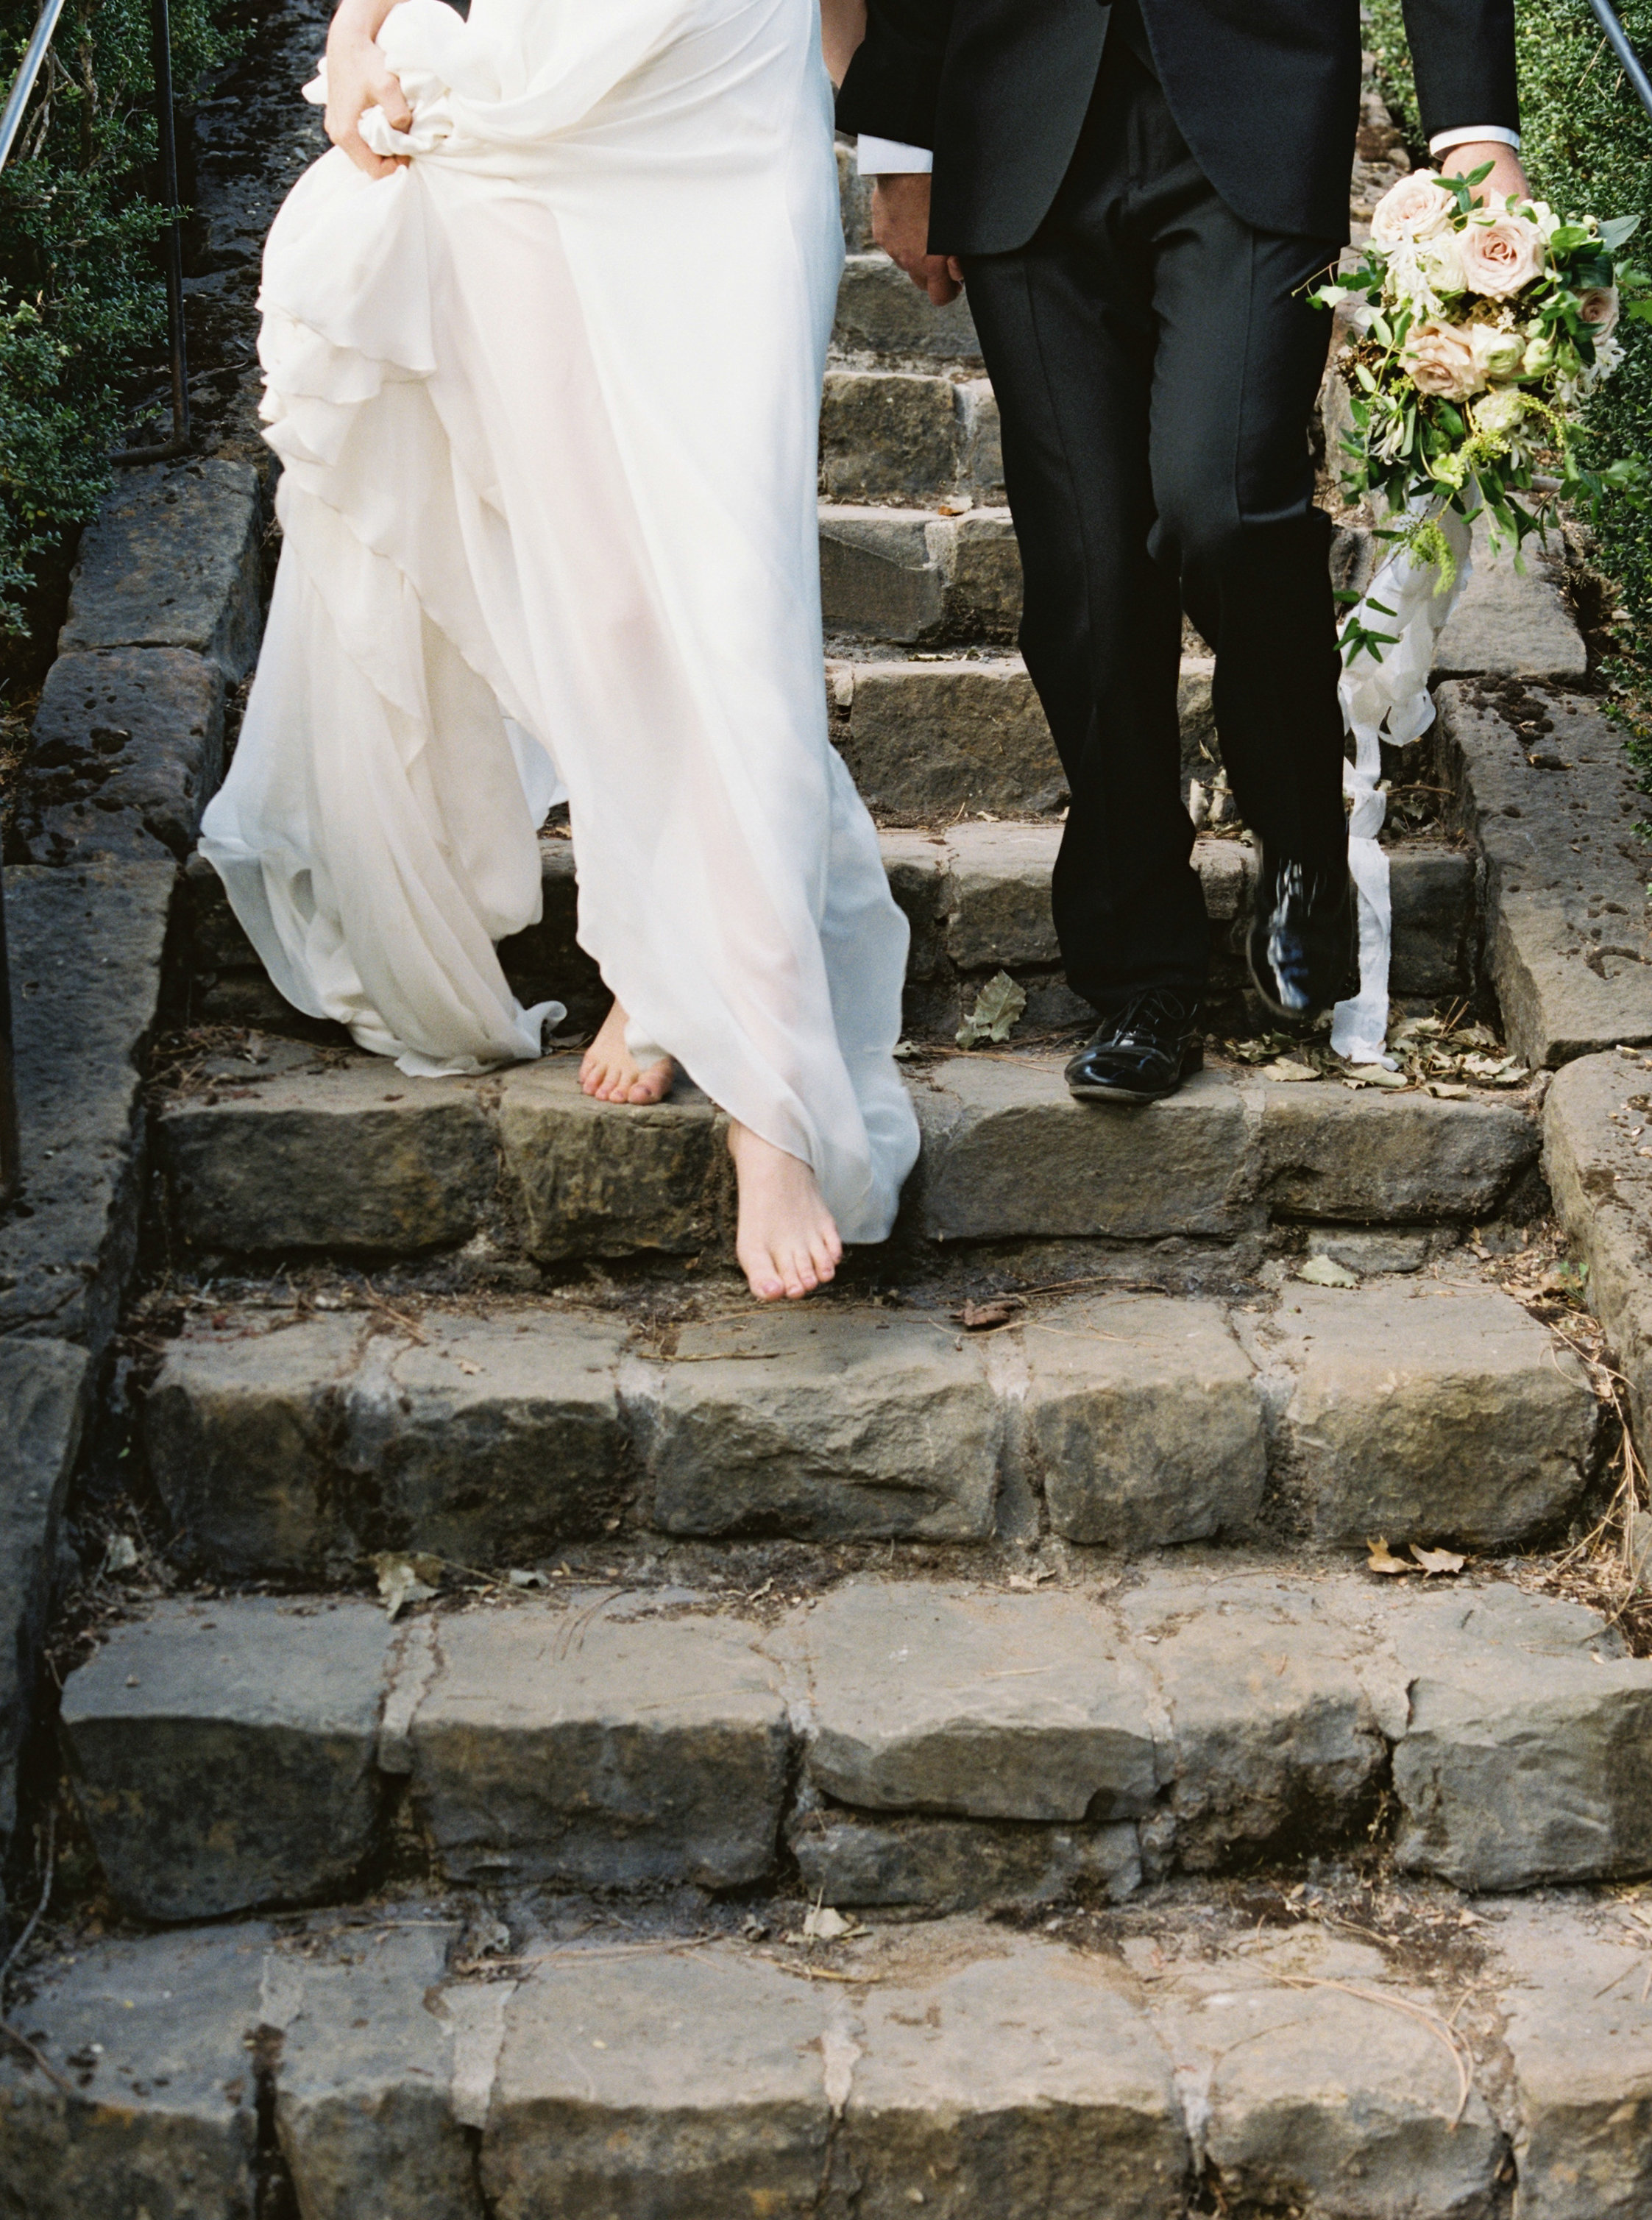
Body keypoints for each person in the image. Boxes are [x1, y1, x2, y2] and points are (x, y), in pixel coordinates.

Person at [199, 0, 919, 1301]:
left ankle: (770, 1104)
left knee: (734, 596)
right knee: (606, 605)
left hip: (728, 86)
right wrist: (359, 29)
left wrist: (894, 133)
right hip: (529, 104)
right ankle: (652, 948)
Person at [837, 0, 1527, 1103]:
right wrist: (902, 140)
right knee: (1088, 573)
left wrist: (1474, 129)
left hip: (1254, 105)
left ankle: (1302, 845)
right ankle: (1139, 975)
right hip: (1014, 113)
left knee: (1225, 507)